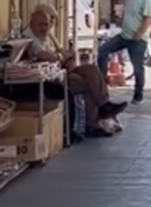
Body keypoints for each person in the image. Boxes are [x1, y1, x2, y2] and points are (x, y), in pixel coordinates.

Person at [23, 9, 125, 137]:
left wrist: (65, 56)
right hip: (53, 76)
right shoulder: (29, 38)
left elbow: (60, 52)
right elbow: (47, 56)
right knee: (88, 83)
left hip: (62, 67)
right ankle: (94, 122)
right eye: (41, 24)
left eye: (47, 24)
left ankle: (104, 106)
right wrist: (61, 56)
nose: (45, 27)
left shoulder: (46, 35)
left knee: (92, 70)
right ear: (32, 23)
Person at [97, 0, 151, 104]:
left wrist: (139, 34)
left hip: (137, 40)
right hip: (124, 36)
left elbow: (148, 19)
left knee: (138, 67)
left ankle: (138, 95)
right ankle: (102, 82)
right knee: (102, 50)